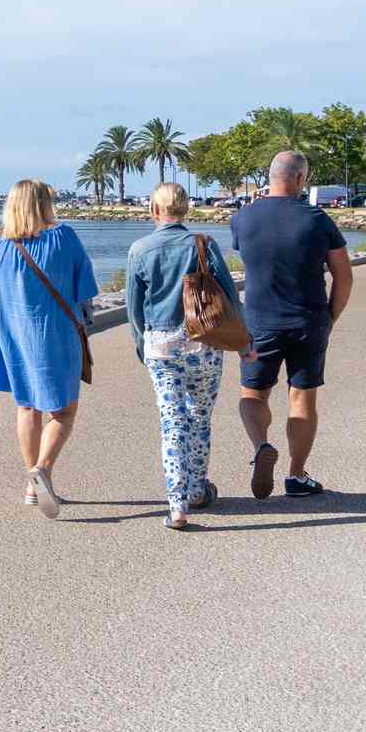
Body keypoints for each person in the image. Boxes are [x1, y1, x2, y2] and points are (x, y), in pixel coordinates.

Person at [0, 179, 100, 520]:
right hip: (57, 333)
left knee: (26, 407)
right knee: (63, 412)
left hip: (12, 335)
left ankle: (30, 484)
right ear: (44, 203)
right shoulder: (64, 237)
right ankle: (43, 471)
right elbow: (85, 290)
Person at [125, 182, 252, 529]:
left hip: (161, 345)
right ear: (185, 209)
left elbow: (134, 309)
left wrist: (141, 344)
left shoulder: (139, 249)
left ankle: (176, 504)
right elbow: (228, 294)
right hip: (203, 343)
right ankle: (197, 489)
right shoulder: (203, 244)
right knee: (199, 415)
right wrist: (243, 342)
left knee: (172, 422)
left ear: (154, 209)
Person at [231, 151, 353, 498]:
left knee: (252, 395)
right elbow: (344, 276)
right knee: (302, 399)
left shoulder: (242, 219)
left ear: (270, 177)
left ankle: (260, 446)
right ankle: (296, 476)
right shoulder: (318, 220)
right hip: (308, 321)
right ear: (300, 179)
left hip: (258, 323)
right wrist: (331, 316)